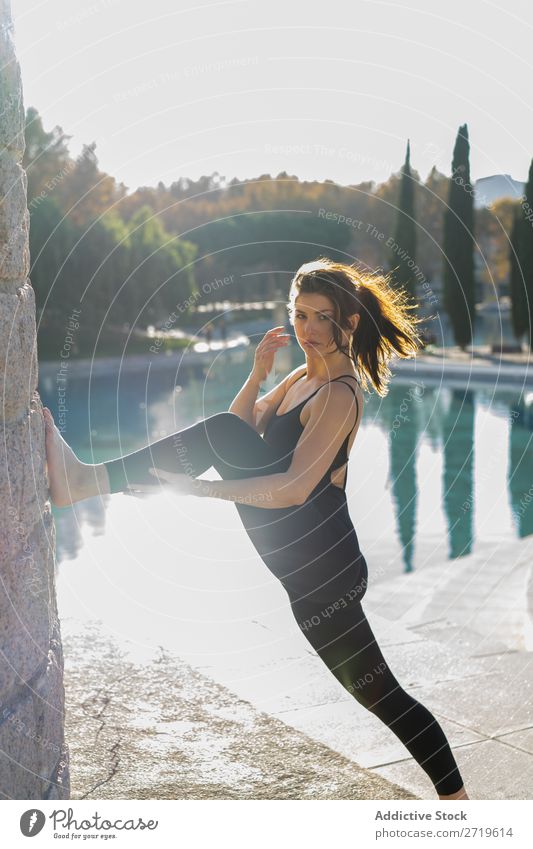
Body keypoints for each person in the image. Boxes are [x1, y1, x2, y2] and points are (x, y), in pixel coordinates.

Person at [43, 256, 469, 800]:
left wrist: (195, 490)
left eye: (321, 317)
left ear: (351, 323)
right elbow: (237, 431)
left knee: (382, 695)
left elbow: (291, 487)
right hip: (298, 558)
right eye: (299, 315)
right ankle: (84, 483)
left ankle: (459, 808)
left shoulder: (340, 394)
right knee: (379, 693)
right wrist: (256, 376)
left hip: (324, 563)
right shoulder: (298, 377)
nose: (307, 329)